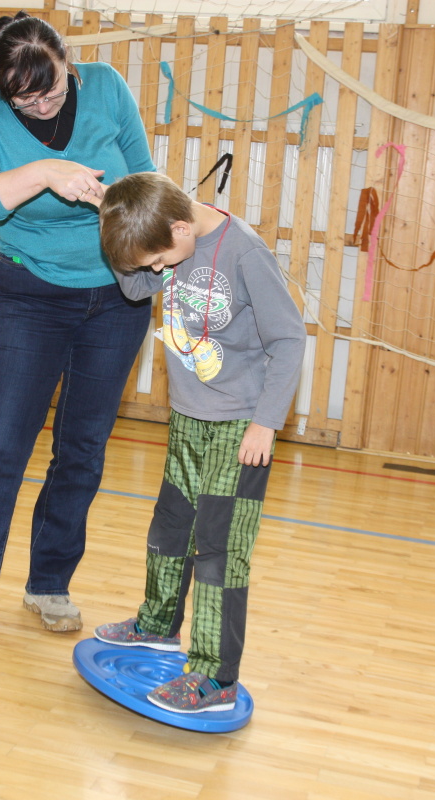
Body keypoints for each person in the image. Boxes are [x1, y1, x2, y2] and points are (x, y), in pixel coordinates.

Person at [0, 13, 156, 645]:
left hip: (117, 298)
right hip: (30, 294)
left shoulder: (106, 87)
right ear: (0, 84)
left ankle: (49, 583)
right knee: (0, 446)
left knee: (82, 447)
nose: (44, 105)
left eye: (52, 90)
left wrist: (145, 217)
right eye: (27, 99)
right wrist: (45, 173)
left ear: (67, 63)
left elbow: (144, 176)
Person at [91, 171, 306, 713]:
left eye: (158, 259)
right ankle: (157, 624)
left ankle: (215, 676)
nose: (155, 271)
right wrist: (112, 224)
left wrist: (267, 423)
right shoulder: (167, 238)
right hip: (188, 416)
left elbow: (288, 338)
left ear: (182, 229)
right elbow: (136, 287)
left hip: (240, 426)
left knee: (218, 549)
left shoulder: (245, 253)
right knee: (170, 526)